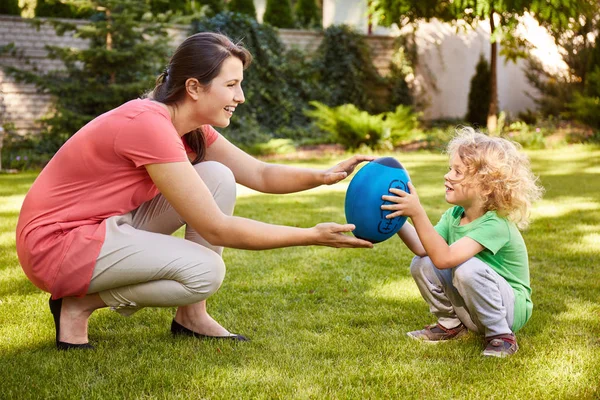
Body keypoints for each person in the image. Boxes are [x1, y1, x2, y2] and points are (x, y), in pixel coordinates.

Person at [16, 32, 374, 350]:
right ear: (194, 87)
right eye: (231, 85)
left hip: (103, 229)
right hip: (57, 246)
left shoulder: (190, 128)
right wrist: (310, 235)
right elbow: (217, 227)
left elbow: (261, 174)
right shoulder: (148, 124)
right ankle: (78, 304)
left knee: (216, 175)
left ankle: (191, 318)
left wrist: (322, 176)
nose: (242, 96)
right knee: (206, 271)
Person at [383, 128, 543, 357]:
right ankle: (451, 325)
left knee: (465, 267)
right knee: (421, 263)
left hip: (509, 308)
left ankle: (502, 336)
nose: (448, 176)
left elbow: (445, 258)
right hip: (476, 298)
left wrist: (417, 212)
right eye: (450, 169)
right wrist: (396, 217)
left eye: (458, 172)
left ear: (486, 186)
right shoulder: (454, 215)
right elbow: (423, 247)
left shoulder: (496, 224)